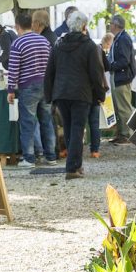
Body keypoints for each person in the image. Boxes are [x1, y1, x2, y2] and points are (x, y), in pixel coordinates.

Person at [44, 12, 106, 180]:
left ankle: (75, 164)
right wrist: (101, 94)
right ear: (84, 27)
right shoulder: (90, 46)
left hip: (62, 93)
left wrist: (49, 95)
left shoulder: (58, 44)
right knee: (78, 129)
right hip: (81, 93)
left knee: (71, 128)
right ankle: (72, 168)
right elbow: (96, 73)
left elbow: (49, 72)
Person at [7, 12, 57, 167]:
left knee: (28, 122)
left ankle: (29, 158)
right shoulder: (44, 41)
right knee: (47, 121)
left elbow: (13, 68)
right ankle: (51, 156)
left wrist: (10, 89)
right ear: (31, 24)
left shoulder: (17, 43)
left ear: (17, 26)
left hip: (28, 86)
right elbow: (52, 63)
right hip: (46, 85)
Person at [106, 16, 136, 145]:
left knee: (123, 107)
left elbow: (124, 60)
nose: (110, 26)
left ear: (116, 25)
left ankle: (127, 134)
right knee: (119, 107)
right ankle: (121, 133)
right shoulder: (119, 38)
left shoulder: (123, 39)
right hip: (119, 76)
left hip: (122, 77)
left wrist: (110, 66)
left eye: (111, 24)